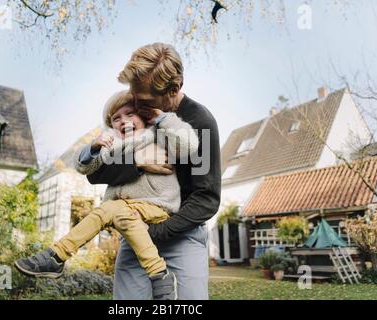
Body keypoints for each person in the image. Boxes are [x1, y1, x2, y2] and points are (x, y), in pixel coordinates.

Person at [14, 90, 199, 300]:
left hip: (158, 205)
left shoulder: (158, 134)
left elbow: (190, 144)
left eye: (130, 114)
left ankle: (56, 256)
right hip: (124, 212)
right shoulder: (114, 146)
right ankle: (160, 276)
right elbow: (84, 167)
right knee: (113, 210)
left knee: (110, 209)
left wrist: (163, 118)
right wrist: (93, 146)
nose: (124, 121)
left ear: (144, 115)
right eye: (116, 118)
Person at [87, 43, 222, 300]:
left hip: (182, 235)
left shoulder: (200, 123)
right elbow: (96, 173)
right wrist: (137, 163)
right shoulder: (134, 112)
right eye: (134, 95)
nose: (136, 105)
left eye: (144, 100)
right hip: (135, 230)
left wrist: (152, 234)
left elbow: (206, 198)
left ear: (174, 89)